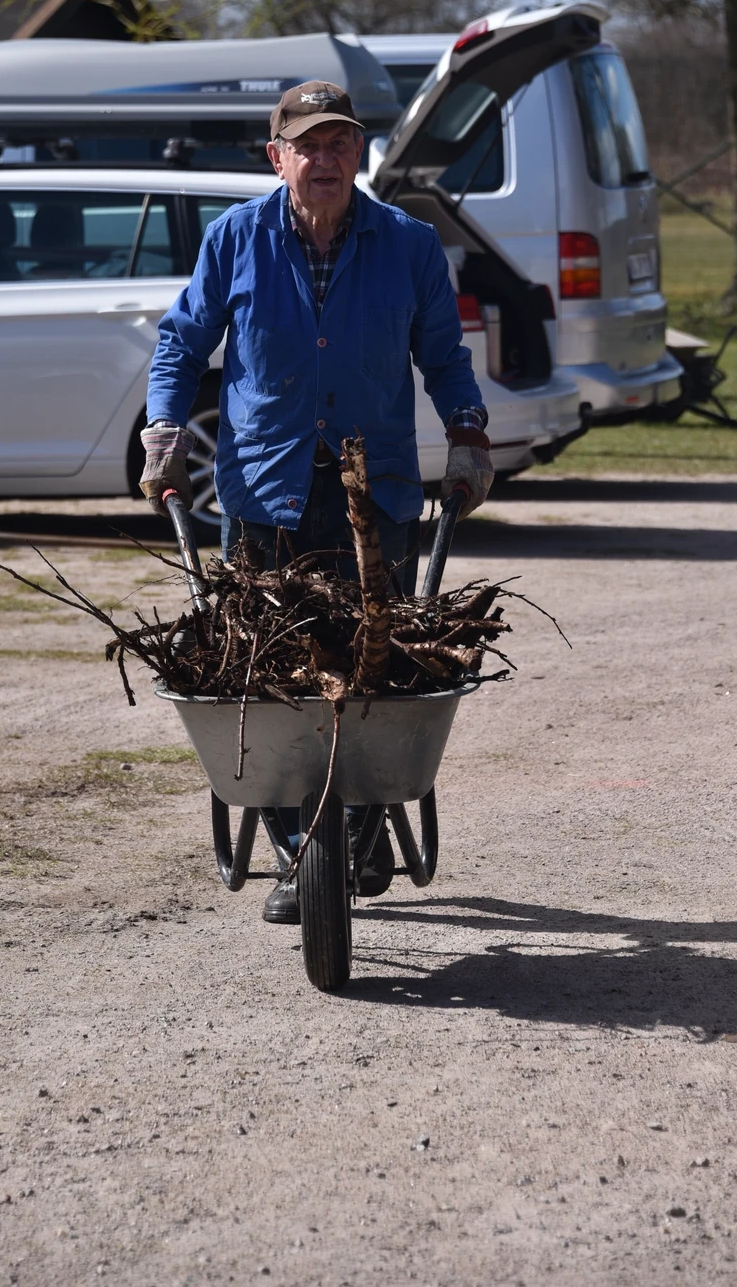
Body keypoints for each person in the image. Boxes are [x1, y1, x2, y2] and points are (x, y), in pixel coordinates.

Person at [141, 80, 494, 922]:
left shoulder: (408, 244)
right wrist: (163, 430)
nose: (325, 160)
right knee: (263, 673)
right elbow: (183, 342)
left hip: (377, 499)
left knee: (377, 670)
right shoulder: (236, 238)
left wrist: (469, 435)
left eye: (340, 144)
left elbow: (444, 357)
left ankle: (358, 829)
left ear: (359, 153)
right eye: (308, 146)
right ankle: (303, 848)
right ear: (278, 158)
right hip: (264, 491)